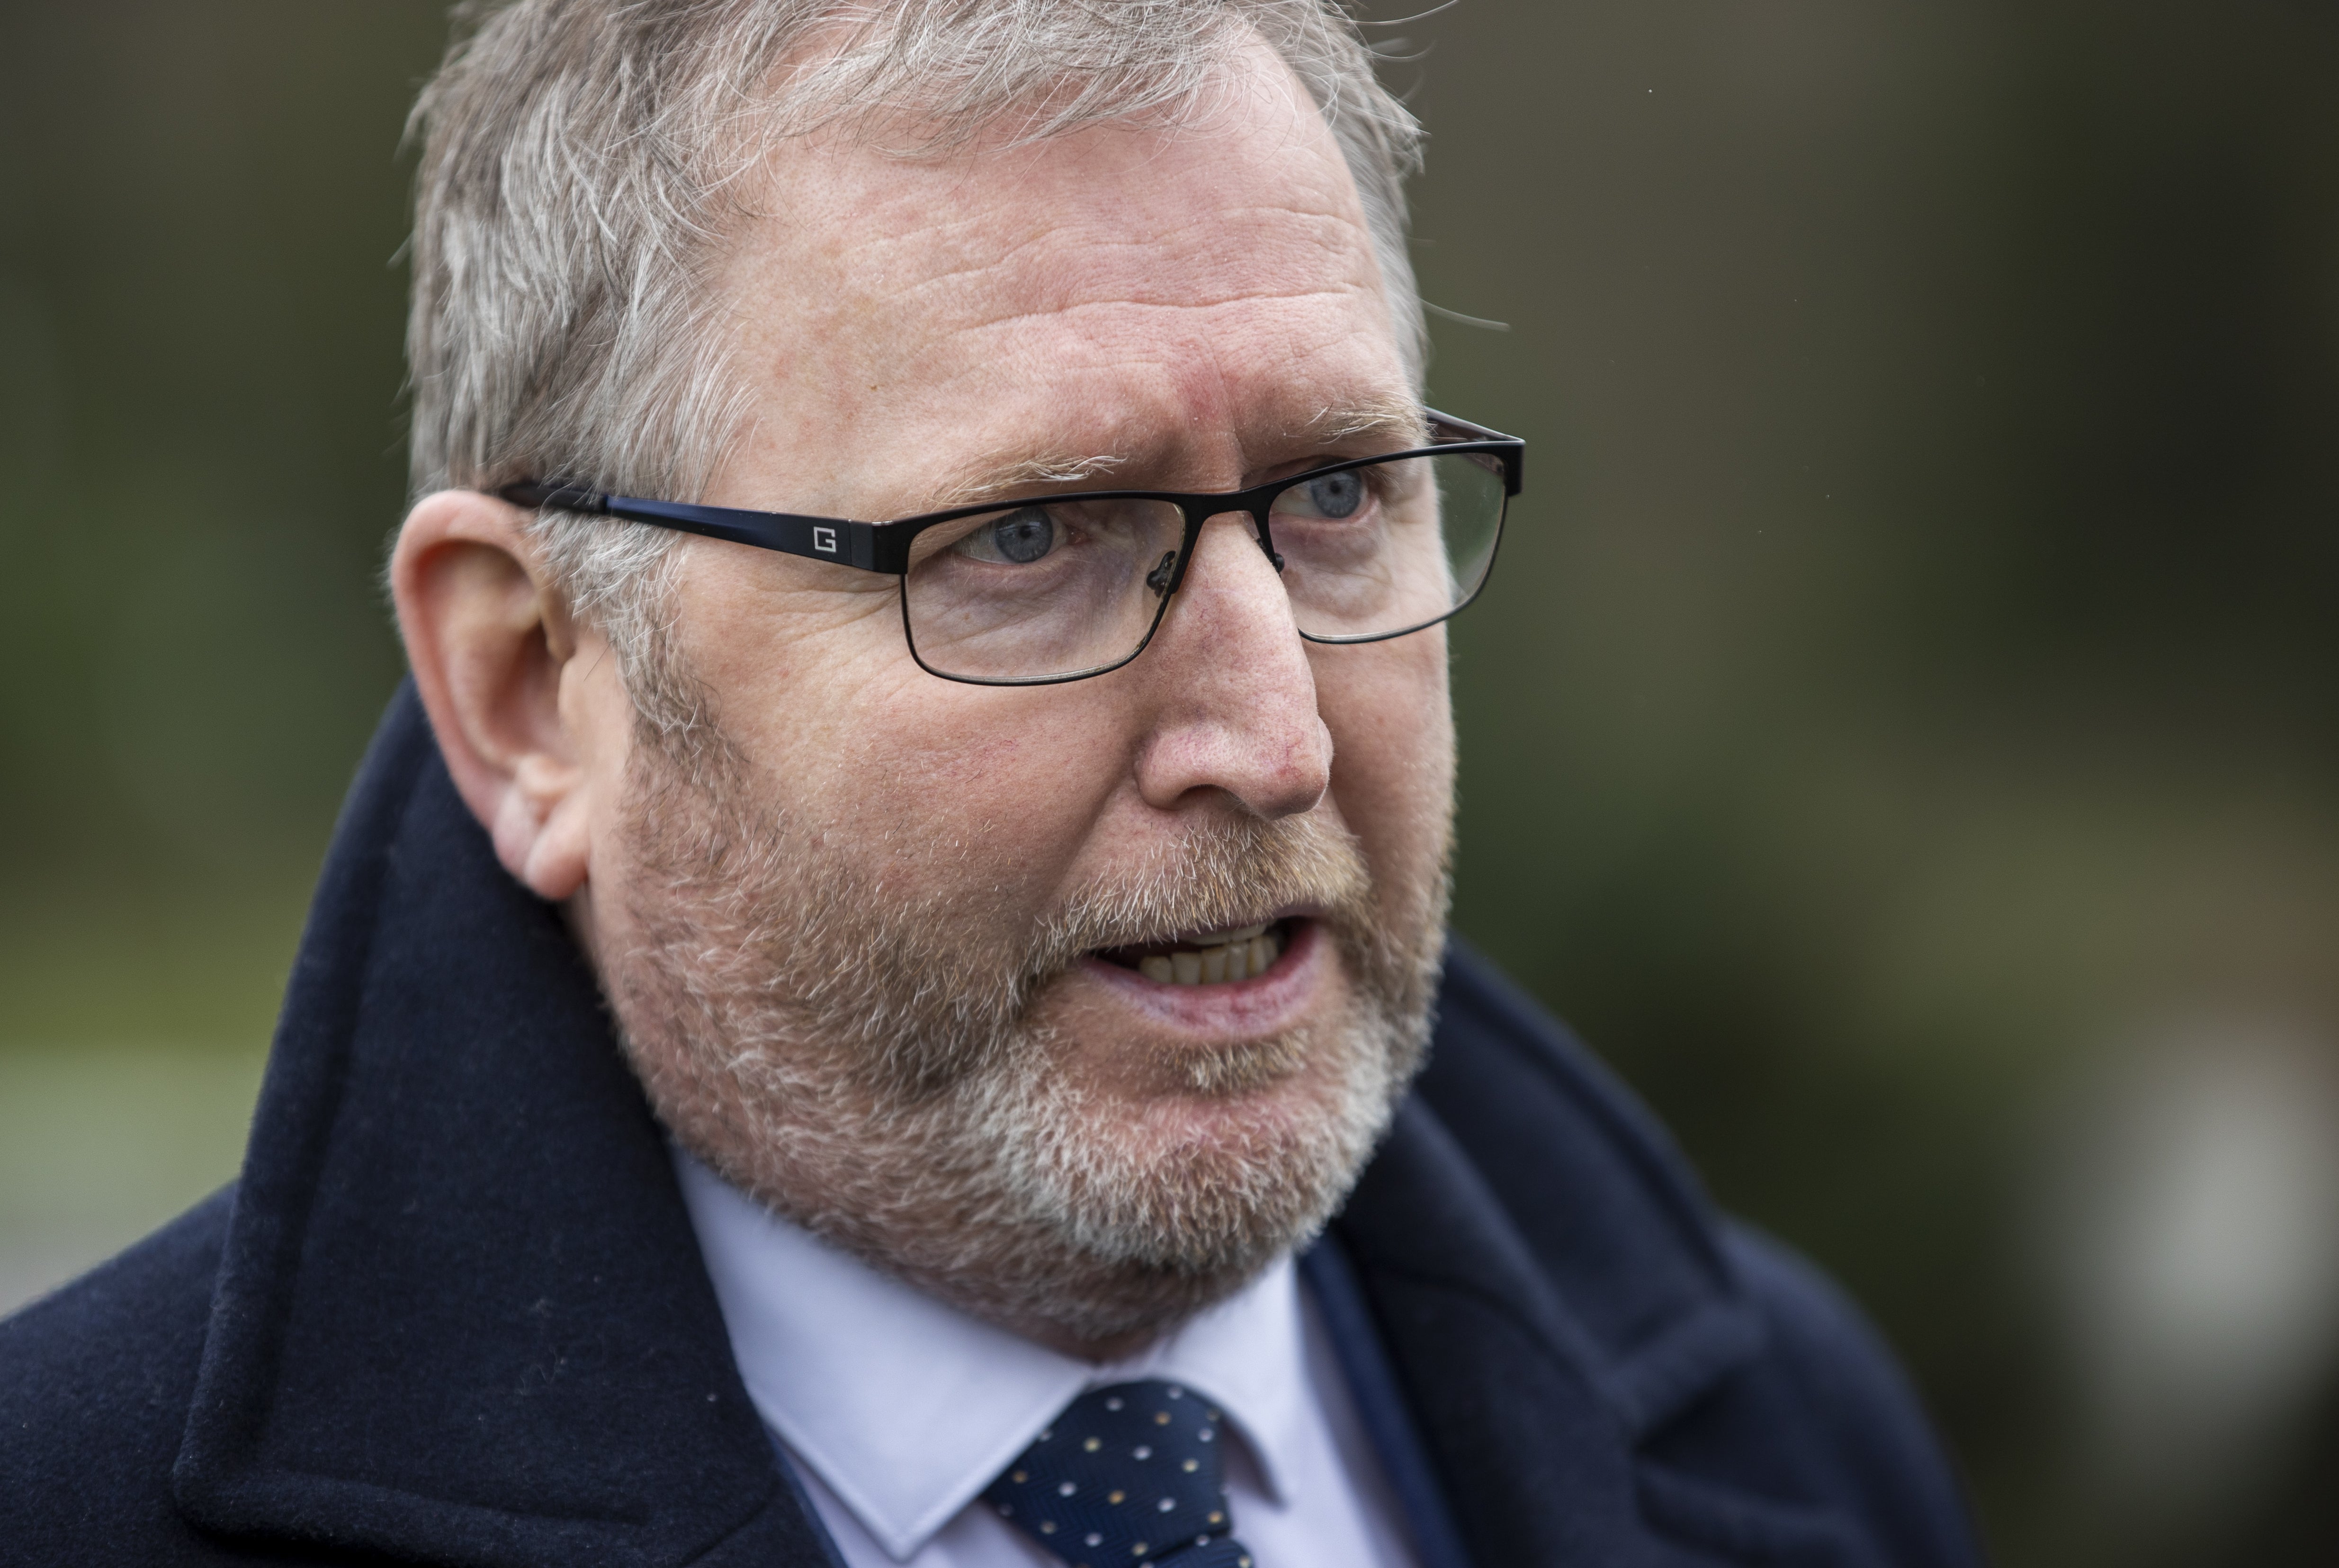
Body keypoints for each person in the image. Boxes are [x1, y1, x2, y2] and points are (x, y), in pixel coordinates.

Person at [0, 3, 1977, 1564]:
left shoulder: (1791, 1432)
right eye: (1027, 544)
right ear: (530, 685)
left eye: (1340, 497)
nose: (1274, 738)